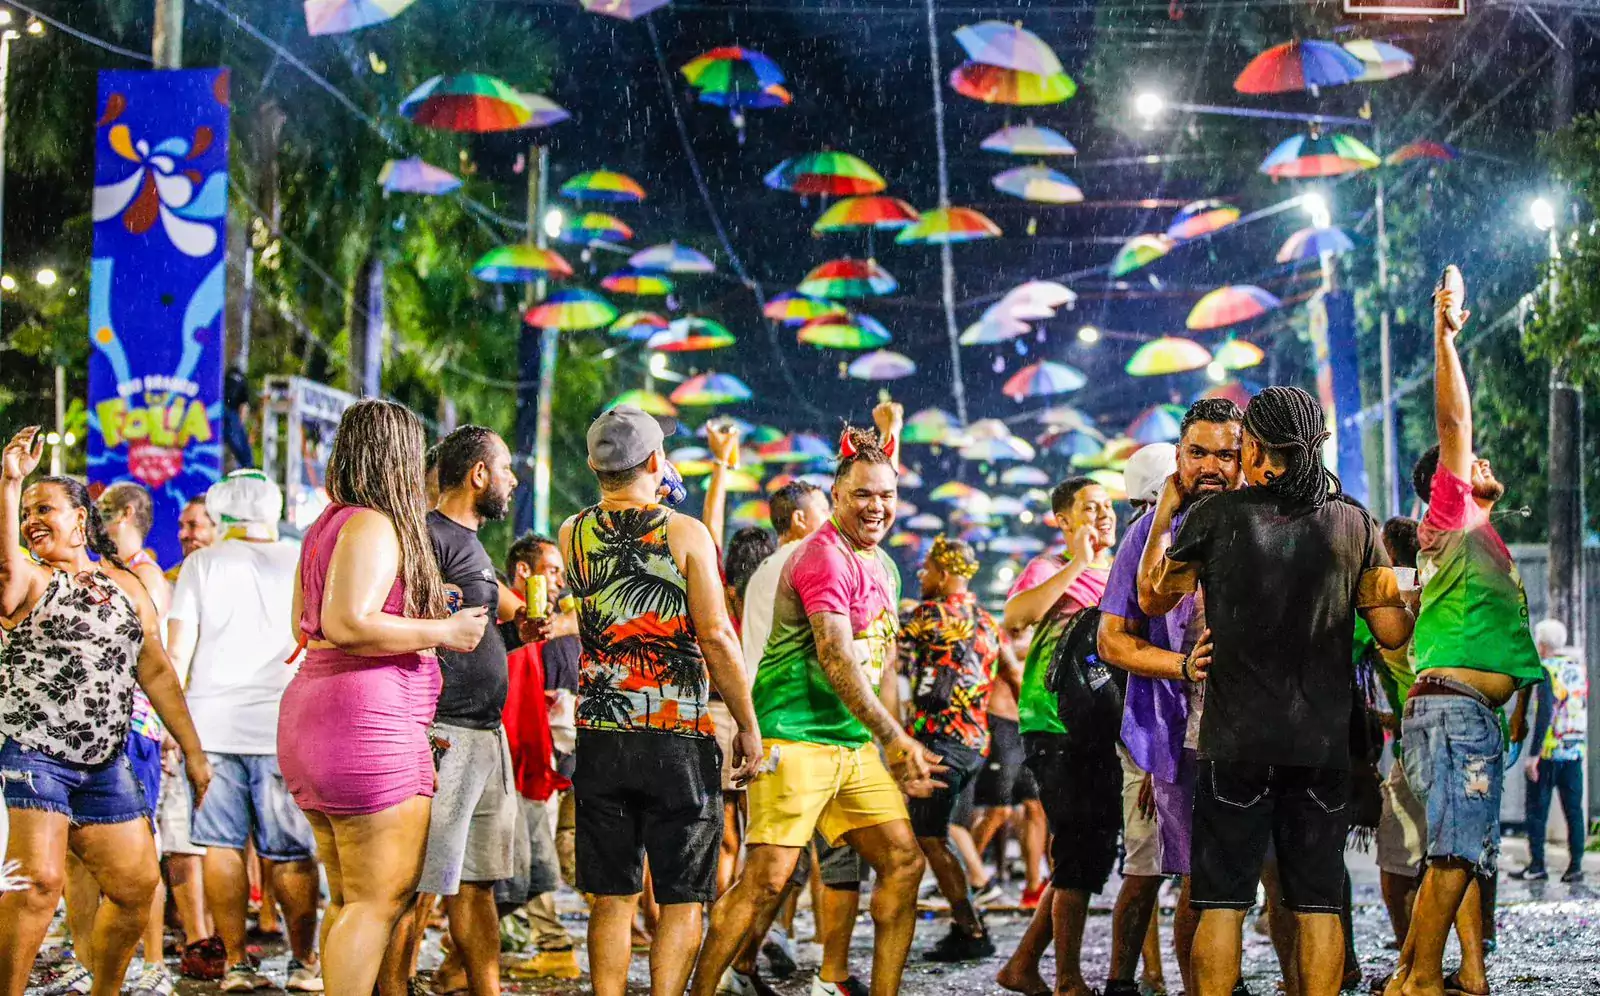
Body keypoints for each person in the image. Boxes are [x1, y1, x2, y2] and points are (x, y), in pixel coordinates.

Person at [1138, 386, 1413, 996]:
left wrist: (1165, 511)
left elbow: (1153, 597)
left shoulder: (1215, 517)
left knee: (1222, 899)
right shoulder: (1353, 521)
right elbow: (1393, 632)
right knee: (1317, 900)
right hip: (1319, 745)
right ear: (1317, 446)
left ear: (1254, 446)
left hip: (1234, 741)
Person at [692, 425, 940, 996]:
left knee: (904, 863)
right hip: (795, 739)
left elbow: (884, 663)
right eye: (862, 495)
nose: (876, 506)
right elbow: (835, 657)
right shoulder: (823, 557)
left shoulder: (884, 565)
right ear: (835, 498)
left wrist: (891, 743)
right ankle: (700, 989)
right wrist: (894, 736)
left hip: (852, 748)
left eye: (886, 495)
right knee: (764, 881)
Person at [276, 399, 490, 996]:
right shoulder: (373, 522)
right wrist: (442, 632)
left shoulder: (327, 524)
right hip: (364, 723)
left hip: (316, 715)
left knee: (348, 900)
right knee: (376, 902)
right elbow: (347, 622)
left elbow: (306, 619)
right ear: (397, 456)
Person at [0, 426, 212, 996]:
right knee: (38, 883)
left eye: (44, 509)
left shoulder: (126, 585)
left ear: (80, 518)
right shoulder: (28, 577)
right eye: (25, 514)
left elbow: (159, 670)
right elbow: (4, 578)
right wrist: (10, 482)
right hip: (36, 751)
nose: (31, 521)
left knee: (137, 886)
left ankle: (107, 991)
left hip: (104, 760)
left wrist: (193, 751)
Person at [1382, 270, 1545, 996]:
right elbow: (1455, 425)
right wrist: (1446, 339)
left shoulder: (1478, 540)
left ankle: (1439, 976)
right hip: (1453, 715)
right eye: (1471, 465)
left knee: (1463, 853)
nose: (1482, 466)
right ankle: (1416, 980)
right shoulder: (1452, 514)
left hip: (1463, 715)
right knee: (1452, 854)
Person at [563, 405, 762, 996]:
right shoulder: (683, 531)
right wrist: (747, 724)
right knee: (681, 896)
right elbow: (718, 636)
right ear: (655, 461)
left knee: (613, 894)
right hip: (675, 735)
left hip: (601, 733)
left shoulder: (572, 531)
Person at [1100, 402, 1243, 996]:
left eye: (1226, 454)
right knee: (1196, 880)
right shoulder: (1147, 535)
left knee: (1274, 879)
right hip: (1178, 736)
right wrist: (1182, 666)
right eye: (1198, 453)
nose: (1211, 467)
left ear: (1248, 457)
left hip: (1261, 731)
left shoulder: (1264, 521)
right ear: (1178, 459)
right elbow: (1113, 641)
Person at [166, 470, 323, 992]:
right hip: (286, 727)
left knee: (220, 846)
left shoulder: (202, 565)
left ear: (221, 514)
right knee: (292, 851)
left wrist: (177, 730)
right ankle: (304, 964)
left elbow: (177, 655)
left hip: (211, 730)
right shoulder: (301, 560)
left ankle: (236, 964)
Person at [387, 425, 521, 996]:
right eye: (507, 469)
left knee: (477, 883)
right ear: (479, 475)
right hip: (444, 731)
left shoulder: (471, 541)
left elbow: (485, 620)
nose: (513, 480)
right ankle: (393, 987)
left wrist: (523, 628)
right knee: (417, 884)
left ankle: (485, 990)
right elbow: (411, 621)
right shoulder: (426, 536)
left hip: (486, 733)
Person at [997, 476, 1118, 996]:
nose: (1105, 515)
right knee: (1077, 851)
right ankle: (1068, 980)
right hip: (1054, 727)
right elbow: (1017, 616)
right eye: (1091, 508)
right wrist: (1077, 562)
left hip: (1103, 731)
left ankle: (1023, 966)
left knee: (1088, 856)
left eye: (1109, 506)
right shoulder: (1047, 570)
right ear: (1064, 520)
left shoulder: (1120, 574)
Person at [899, 535, 1004, 961]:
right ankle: (966, 924)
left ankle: (971, 930)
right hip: (976, 742)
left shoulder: (925, 616)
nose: (922, 576)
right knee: (935, 835)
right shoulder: (986, 621)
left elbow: (888, 660)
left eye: (926, 569)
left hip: (940, 743)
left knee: (929, 837)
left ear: (944, 573)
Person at [500, 532, 583, 982]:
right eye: (550, 571)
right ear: (524, 571)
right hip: (525, 759)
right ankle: (552, 944)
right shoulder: (516, 622)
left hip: (554, 760)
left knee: (548, 855)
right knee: (533, 856)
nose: (558, 582)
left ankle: (563, 941)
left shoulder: (551, 623)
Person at [1364, 518, 1427, 950]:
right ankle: (1466, 956)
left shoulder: (1388, 593)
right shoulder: (1438, 588)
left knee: (1398, 857)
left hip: (1419, 735)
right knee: (1450, 852)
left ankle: (1414, 959)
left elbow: (1361, 640)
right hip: (1458, 726)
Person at [1514, 618, 1588, 884]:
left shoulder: (1545, 670)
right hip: (1574, 751)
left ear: (1542, 645)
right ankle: (1575, 866)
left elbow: (1545, 713)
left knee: (1537, 810)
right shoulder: (1576, 670)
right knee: (1574, 811)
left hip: (1548, 753)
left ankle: (1537, 865)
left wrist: (1533, 756)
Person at [167, 496, 218, 583]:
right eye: (181, 526)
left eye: (193, 525)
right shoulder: (170, 582)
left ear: (219, 528)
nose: (182, 535)